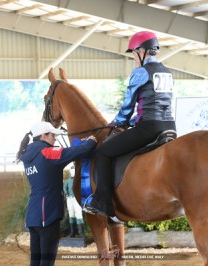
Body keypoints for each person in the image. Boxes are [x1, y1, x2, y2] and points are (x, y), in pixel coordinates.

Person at [83, 31, 176, 217]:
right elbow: (157, 103)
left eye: (134, 53)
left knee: (103, 152)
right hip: (169, 126)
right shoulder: (167, 72)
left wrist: (118, 122)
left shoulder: (140, 72)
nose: (134, 57)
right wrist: (135, 120)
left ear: (142, 51)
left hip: (148, 128)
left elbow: (128, 105)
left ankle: (103, 203)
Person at [16, 121, 97, 266]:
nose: (55, 138)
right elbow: (74, 153)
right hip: (47, 215)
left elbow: (61, 157)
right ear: (43, 136)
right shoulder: (47, 153)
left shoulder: (28, 155)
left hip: (34, 215)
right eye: (52, 135)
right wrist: (91, 142)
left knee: (36, 260)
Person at [63, 166, 85, 238]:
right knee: (71, 214)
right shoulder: (68, 180)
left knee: (78, 214)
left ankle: (81, 232)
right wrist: (66, 193)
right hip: (69, 199)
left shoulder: (79, 180)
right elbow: (64, 188)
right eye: (71, 171)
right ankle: (72, 232)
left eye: (73, 170)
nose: (72, 172)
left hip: (77, 199)